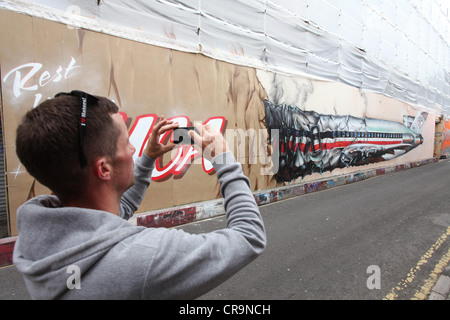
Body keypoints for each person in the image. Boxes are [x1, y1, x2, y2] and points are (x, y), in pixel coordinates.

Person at [13, 90, 266, 299]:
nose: (134, 148)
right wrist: (224, 160)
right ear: (104, 168)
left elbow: (112, 215)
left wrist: (147, 159)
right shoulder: (144, 257)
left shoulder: (39, 241)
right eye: (126, 142)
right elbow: (248, 237)